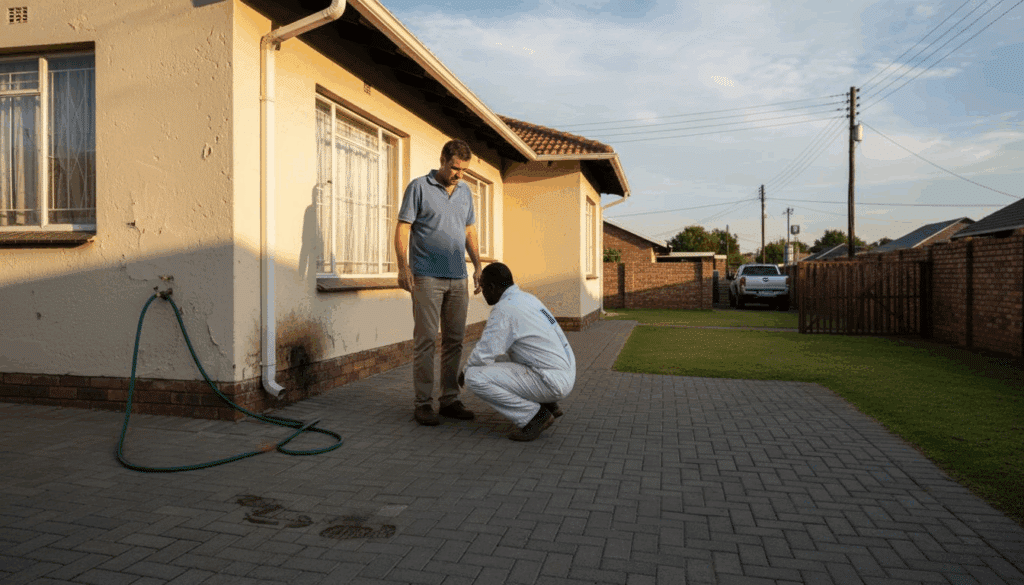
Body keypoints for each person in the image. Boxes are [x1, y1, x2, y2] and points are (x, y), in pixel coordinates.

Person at [395, 139, 483, 426]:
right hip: (426, 276)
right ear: (443, 160)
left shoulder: (466, 191)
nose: (459, 175)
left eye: (464, 170)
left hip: (458, 277)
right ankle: (422, 403)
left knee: (455, 341)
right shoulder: (419, 187)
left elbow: (469, 229)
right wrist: (402, 266)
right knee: (426, 340)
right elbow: (403, 228)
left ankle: (449, 399)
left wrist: (479, 265)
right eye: (455, 168)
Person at [459, 263, 576, 442]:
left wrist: (466, 369)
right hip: (564, 372)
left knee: (474, 377)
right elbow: (495, 350)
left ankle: (534, 416)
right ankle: (547, 404)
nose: (482, 293)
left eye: (482, 287)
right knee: (507, 353)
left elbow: (486, 351)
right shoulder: (527, 299)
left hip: (552, 380)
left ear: (491, 287)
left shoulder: (504, 309)